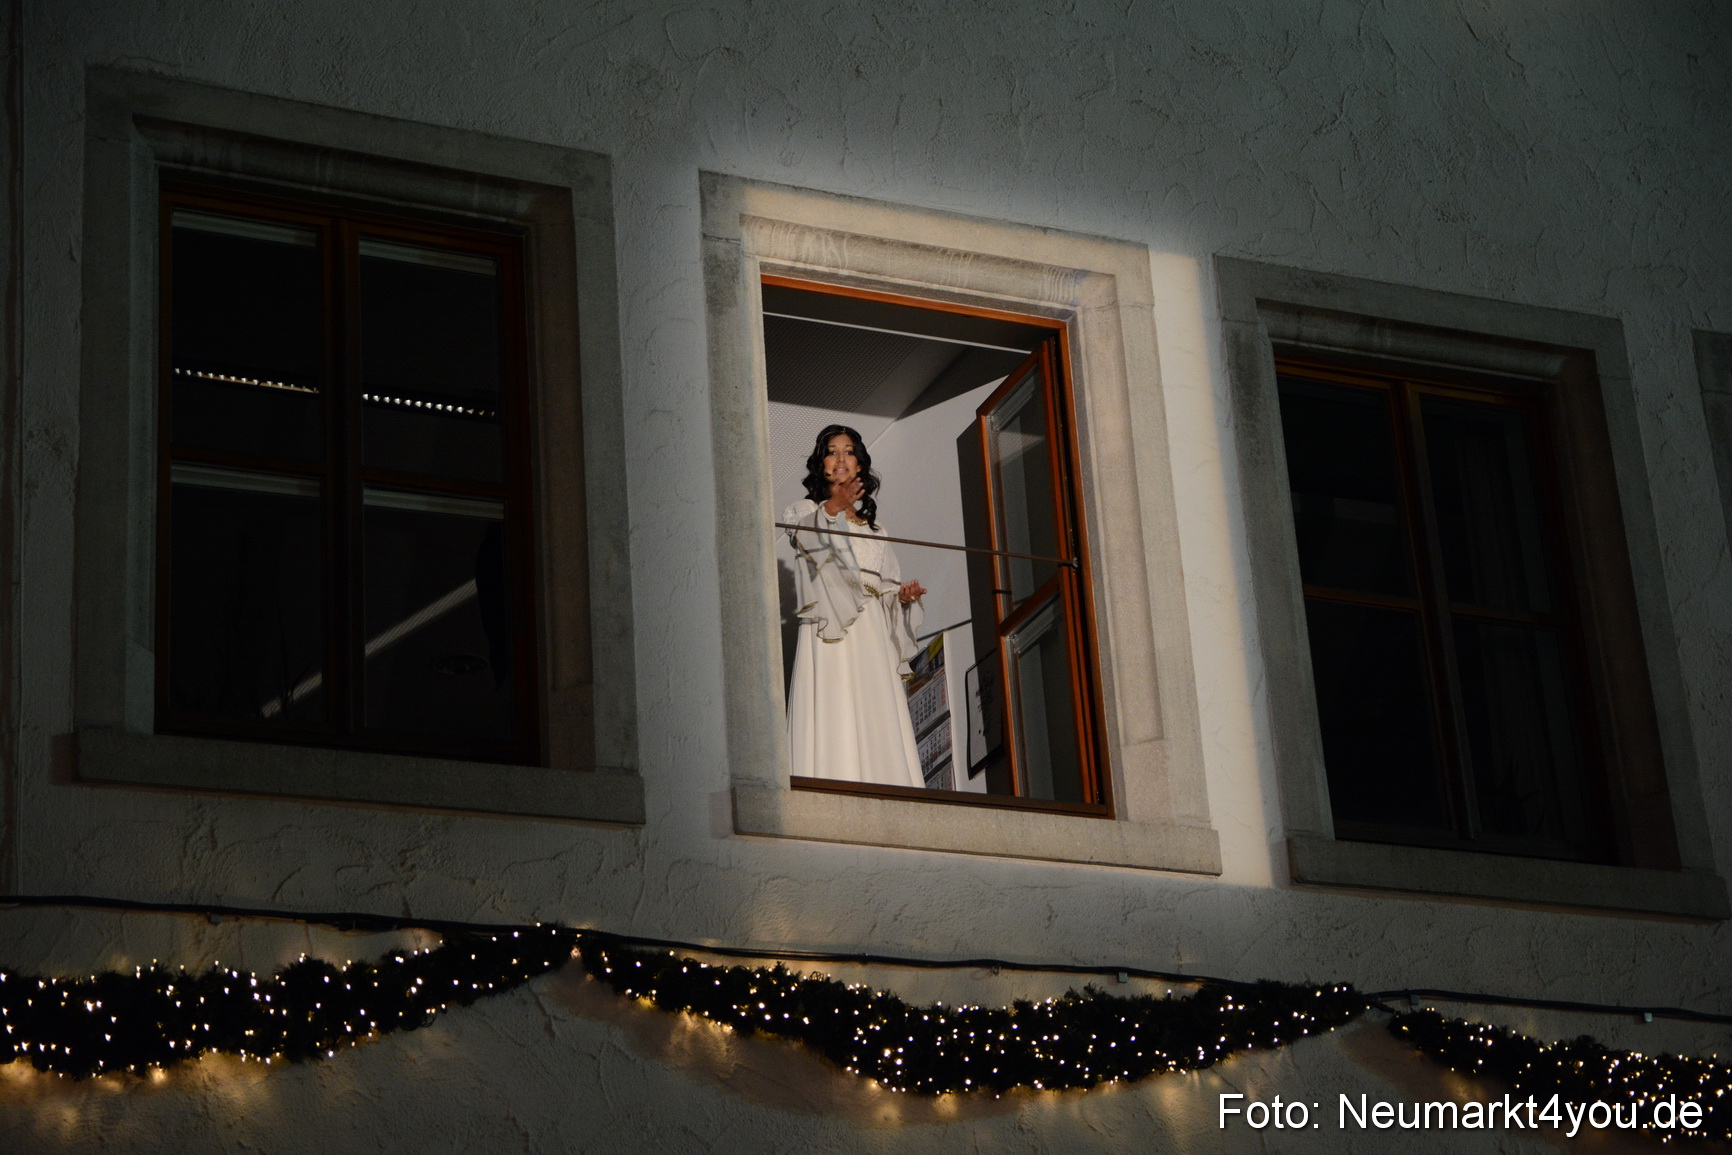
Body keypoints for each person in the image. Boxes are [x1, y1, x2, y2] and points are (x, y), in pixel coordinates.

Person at [783, 425, 928, 788]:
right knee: (835, 697)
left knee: (876, 702)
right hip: (832, 624)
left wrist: (903, 599)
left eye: (849, 451)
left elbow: (887, 587)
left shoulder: (877, 531)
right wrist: (835, 504)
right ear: (822, 465)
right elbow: (805, 537)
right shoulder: (806, 509)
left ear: (859, 464)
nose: (841, 458)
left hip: (872, 630)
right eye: (832, 452)